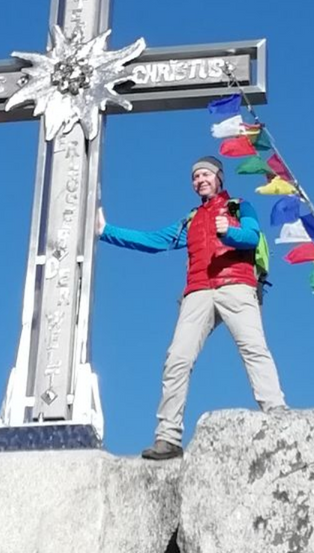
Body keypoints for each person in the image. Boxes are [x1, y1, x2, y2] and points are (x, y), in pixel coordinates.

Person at [97, 154, 287, 460]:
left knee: (254, 348)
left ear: (218, 177)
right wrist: (106, 231)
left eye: (205, 174)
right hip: (198, 291)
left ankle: (277, 411)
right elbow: (154, 241)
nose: (200, 180)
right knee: (177, 358)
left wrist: (230, 232)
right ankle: (168, 438)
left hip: (237, 286)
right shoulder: (191, 219)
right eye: (195, 177)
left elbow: (252, 236)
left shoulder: (238, 206)